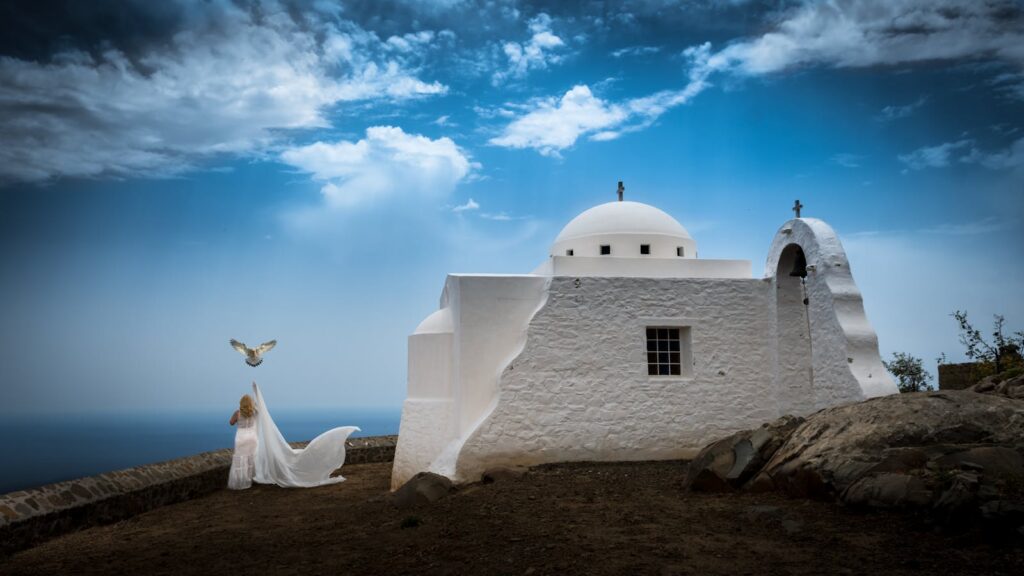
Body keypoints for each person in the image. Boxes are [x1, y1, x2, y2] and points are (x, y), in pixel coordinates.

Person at [228, 394, 258, 490]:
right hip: (252, 438)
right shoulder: (254, 412)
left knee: (241, 459)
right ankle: (250, 480)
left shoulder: (237, 413)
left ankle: (240, 482)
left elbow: (231, 422)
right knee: (250, 458)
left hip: (241, 438)